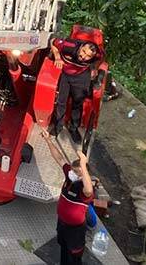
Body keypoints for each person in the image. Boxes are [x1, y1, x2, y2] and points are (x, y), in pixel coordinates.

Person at [42, 130, 94, 264]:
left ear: (83, 175)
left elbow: (89, 190)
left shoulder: (83, 189)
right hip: (62, 223)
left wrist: (83, 165)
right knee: (63, 247)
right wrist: (48, 140)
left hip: (75, 230)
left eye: (76, 172)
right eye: (72, 170)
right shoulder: (69, 176)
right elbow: (59, 158)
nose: (72, 173)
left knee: (74, 256)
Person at [48, 30, 104, 146]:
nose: (83, 56)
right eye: (83, 51)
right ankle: (58, 126)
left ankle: (73, 128)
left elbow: (101, 58)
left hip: (81, 76)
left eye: (88, 56)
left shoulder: (98, 54)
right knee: (61, 102)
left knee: (77, 103)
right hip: (65, 74)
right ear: (81, 46)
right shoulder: (69, 45)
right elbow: (53, 41)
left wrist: (95, 68)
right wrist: (57, 57)